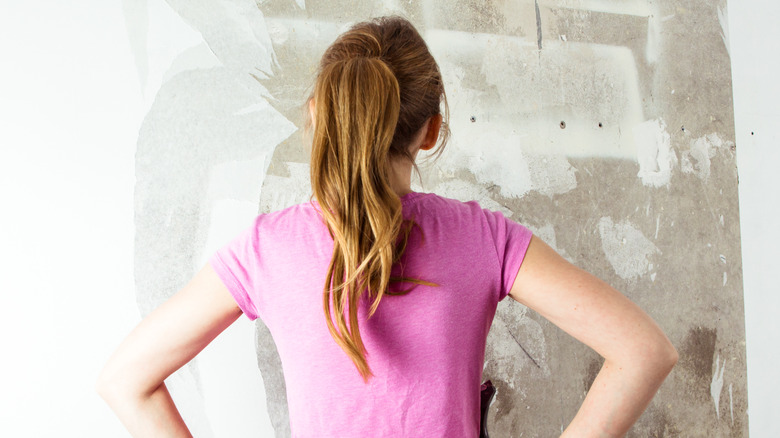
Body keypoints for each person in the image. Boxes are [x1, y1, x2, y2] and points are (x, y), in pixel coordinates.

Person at [96, 15, 678, 438]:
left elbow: (126, 380)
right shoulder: (484, 240)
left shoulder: (266, 250)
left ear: (322, 114)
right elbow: (644, 350)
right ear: (430, 130)